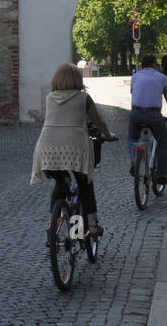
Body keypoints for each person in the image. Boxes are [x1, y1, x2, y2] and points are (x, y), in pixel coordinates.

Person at [30, 63, 117, 240]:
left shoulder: (50, 97)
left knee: (60, 184)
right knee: (85, 184)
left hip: (47, 147)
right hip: (75, 147)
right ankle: (92, 225)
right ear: (78, 79)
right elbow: (98, 122)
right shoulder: (83, 98)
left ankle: (51, 226)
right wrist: (108, 135)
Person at [129, 55, 167, 192]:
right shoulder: (161, 77)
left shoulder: (135, 76)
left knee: (132, 138)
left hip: (136, 114)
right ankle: (162, 175)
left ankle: (134, 160)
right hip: (153, 115)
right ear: (153, 64)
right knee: (163, 142)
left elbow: (133, 93)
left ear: (142, 65)